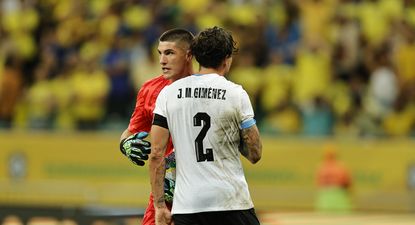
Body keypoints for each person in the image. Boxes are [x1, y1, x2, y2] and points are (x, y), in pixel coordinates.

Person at [149, 26, 262, 225]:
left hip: (188, 206)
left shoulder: (168, 94)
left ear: (197, 57)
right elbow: (255, 153)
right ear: (227, 59)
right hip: (231, 202)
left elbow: (157, 153)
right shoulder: (236, 94)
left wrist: (159, 206)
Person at [119, 28, 194, 225]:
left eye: (169, 53)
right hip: (164, 196)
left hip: (200, 193)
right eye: (160, 53)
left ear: (189, 55)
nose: (162, 60)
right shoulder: (150, 89)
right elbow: (130, 133)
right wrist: (126, 145)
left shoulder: (207, 89)